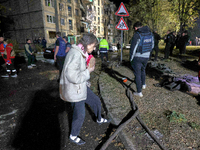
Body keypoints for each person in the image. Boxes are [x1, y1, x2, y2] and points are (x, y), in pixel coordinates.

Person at [59, 33, 111, 145]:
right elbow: (72, 76)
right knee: (80, 114)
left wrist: (86, 74)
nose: (94, 48)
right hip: (75, 90)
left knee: (96, 100)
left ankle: (99, 119)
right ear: (88, 44)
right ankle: (73, 135)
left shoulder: (81, 52)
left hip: (81, 87)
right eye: (93, 46)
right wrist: (88, 72)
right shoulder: (75, 54)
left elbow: (78, 71)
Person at [129, 21, 154, 97]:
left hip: (138, 57)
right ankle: (143, 84)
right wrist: (148, 54)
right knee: (143, 70)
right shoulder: (150, 34)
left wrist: (131, 58)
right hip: (146, 56)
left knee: (137, 74)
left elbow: (133, 48)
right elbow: (152, 45)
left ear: (136, 28)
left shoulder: (137, 34)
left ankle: (139, 92)